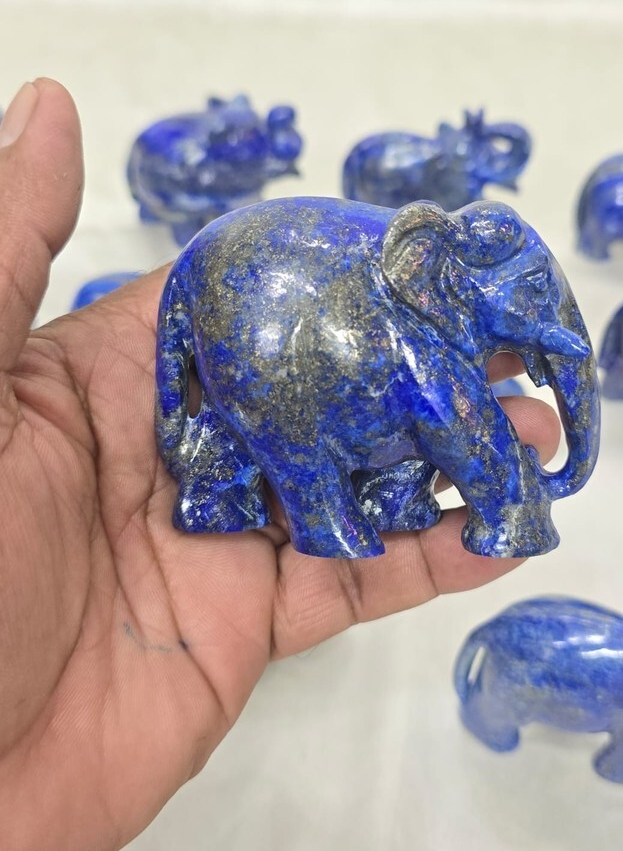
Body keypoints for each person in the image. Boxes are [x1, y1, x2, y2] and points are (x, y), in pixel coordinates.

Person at [0, 79, 561, 851]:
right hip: (288, 335)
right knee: (307, 428)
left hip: (280, 323)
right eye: (529, 297)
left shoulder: (420, 314)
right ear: (436, 275)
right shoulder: (425, 339)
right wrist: (515, 503)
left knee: (276, 429)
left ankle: (232, 492)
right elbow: (465, 434)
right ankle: (321, 518)